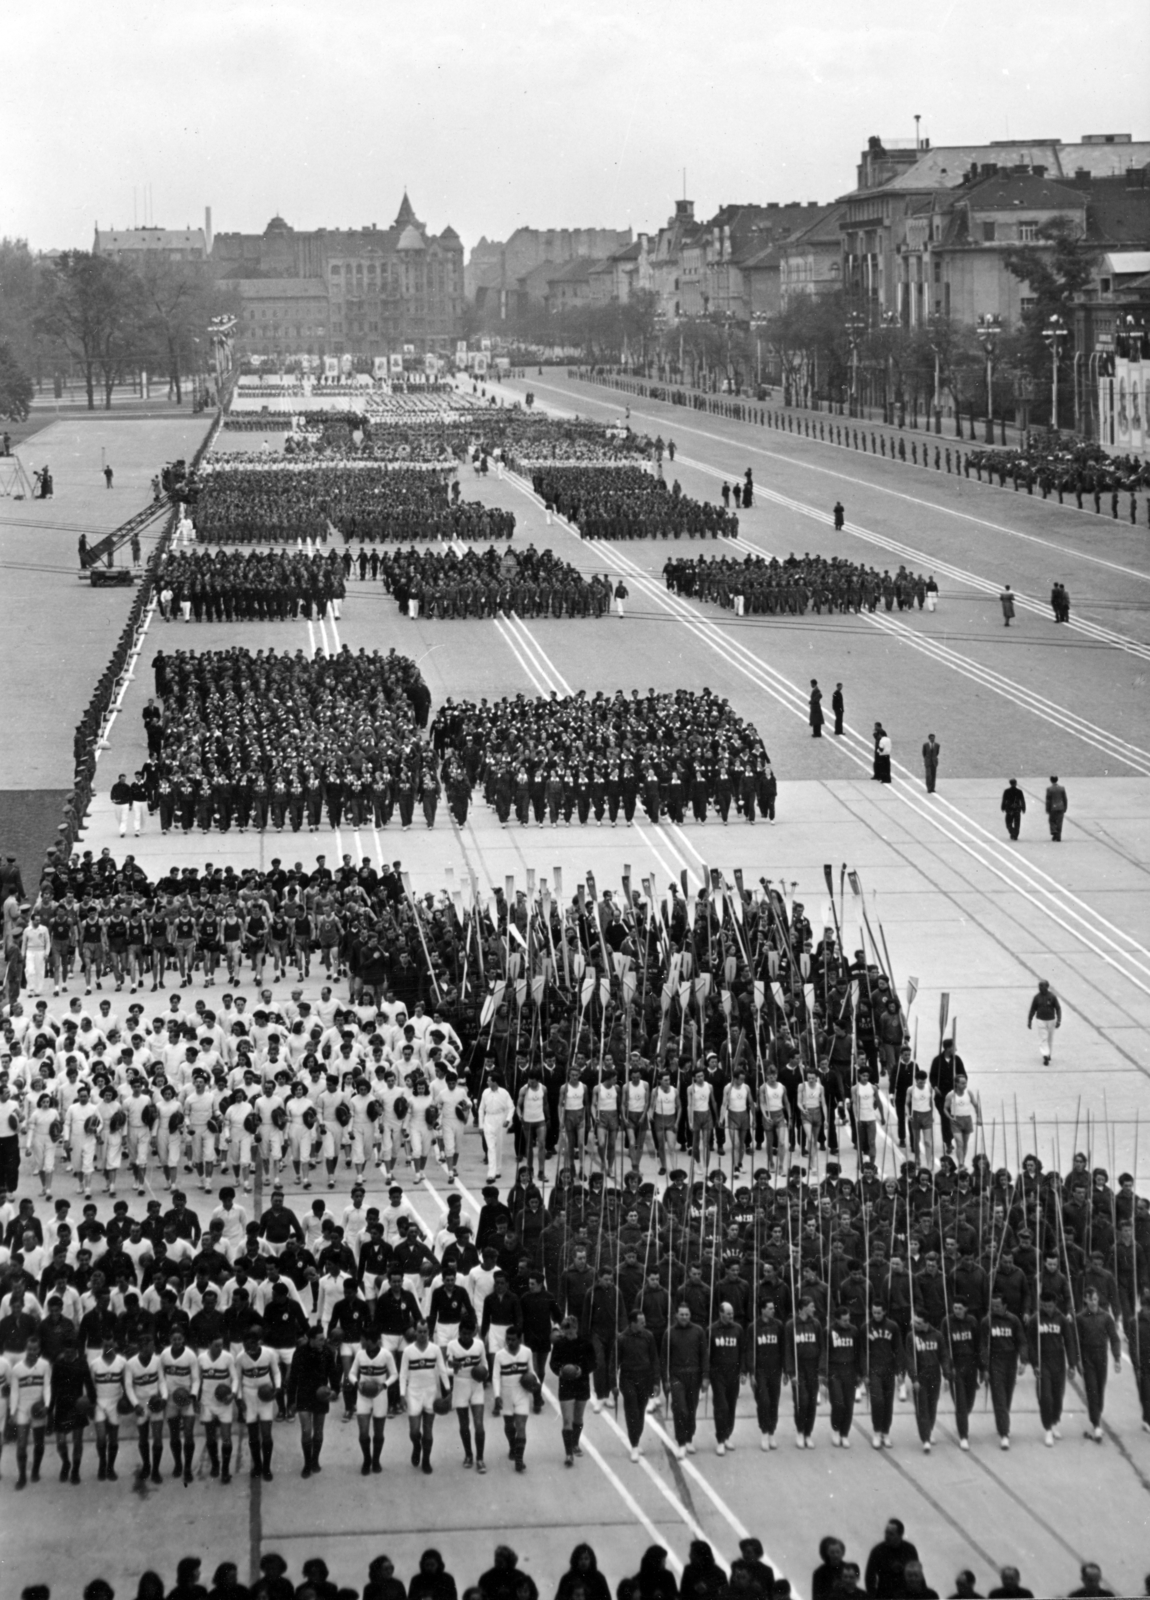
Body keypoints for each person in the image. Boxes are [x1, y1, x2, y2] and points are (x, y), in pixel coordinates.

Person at [1076, 1287, 1121, 1442]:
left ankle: (1096, 1416)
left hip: (1101, 1358)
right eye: (1091, 1300)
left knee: (1100, 1390)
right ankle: (1096, 1425)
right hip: (1087, 1358)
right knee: (1092, 1391)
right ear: (1086, 1300)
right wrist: (1077, 1362)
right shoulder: (1080, 1318)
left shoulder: (1106, 1317)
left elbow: (1114, 1338)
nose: (1094, 1303)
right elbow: (1076, 1343)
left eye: (1096, 1300)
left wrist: (1117, 1358)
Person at [865, 1521, 920, 1600]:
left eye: (891, 1534)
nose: (886, 1536)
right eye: (886, 1533)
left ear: (900, 1535)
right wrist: (873, 1597)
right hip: (884, 1595)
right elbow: (870, 1578)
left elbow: (918, 1573)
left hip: (906, 1595)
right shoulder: (877, 1551)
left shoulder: (910, 1550)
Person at [1027, 980, 1061, 1065]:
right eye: (1039, 986)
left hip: (1051, 1020)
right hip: (1040, 1020)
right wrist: (1029, 1020)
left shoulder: (1052, 997)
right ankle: (1045, 1055)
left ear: (1047, 987)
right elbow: (1033, 1009)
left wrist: (1059, 1020)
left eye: (1042, 986)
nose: (1040, 988)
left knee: (1049, 1038)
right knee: (1043, 1038)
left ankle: (1048, 1053)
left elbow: (1058, 1008)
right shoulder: (1036, 997)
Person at [1044, 775, 1068, 841]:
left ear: (1051, 780)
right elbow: (1065, 799)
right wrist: (1065, 807)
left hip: (1053, 808)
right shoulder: (1062, 788)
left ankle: (1054, 831)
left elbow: (1048, 800)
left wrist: (1047, 808)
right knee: (1059, 822)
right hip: (1061, 807)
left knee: (1052, 820)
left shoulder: (1049, 789)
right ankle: (1058, 836)